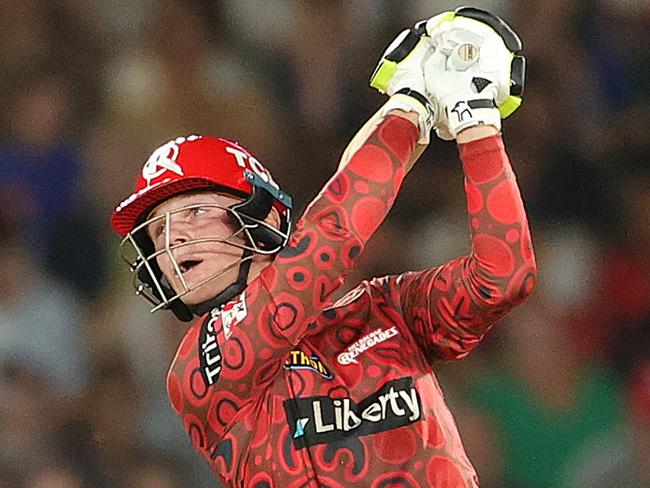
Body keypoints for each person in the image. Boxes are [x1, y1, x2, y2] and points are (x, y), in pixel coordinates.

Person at [111, 8, 536, 487]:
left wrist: (476, 124)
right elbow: (324, 250)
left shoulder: (384, 310)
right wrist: (411, 105)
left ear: (264, 217)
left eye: (192, 212)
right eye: (157, 231)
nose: (173, 239)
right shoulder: (194, 367)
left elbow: (503, 277)